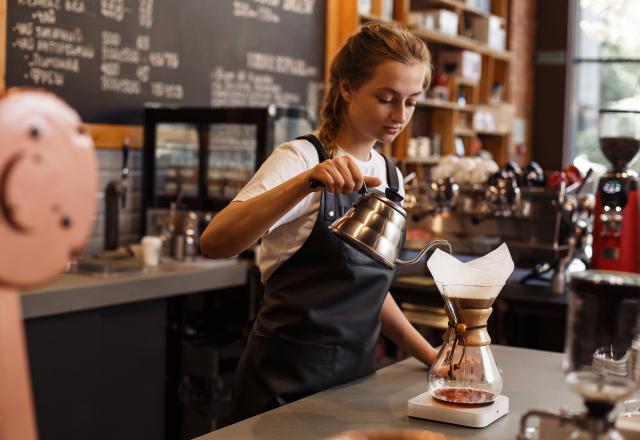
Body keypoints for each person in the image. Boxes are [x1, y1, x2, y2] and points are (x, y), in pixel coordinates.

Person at [200, 22, 437, 422]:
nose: (400, 116)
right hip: (283, 384)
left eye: (411, 102)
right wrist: (305, 184)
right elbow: (214, 242)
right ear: (346, 88)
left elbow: (369, 291)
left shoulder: (390, 175)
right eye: (386, 98)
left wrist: (433, 356)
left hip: (355, 384)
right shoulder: (301, 158)